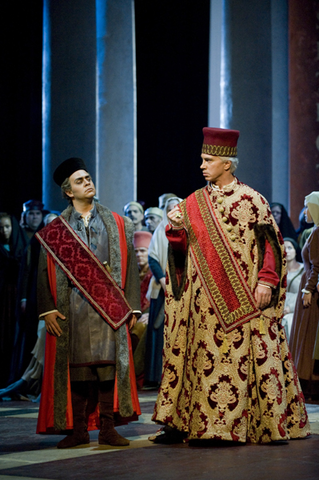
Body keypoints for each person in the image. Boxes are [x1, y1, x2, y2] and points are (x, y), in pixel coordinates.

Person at [150, 127, 309, 444]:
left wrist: (267, 280)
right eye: (202, 159)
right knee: (203, 363)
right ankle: (199, 425)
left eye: (208, 160)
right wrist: (175, 230)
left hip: (246, 300)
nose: (202, 165)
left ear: (226, 163)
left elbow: (271, 247)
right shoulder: (192, 203)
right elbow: (179, 255)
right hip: (201, 308)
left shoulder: (253, 201)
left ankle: (247, 426)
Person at [35, 157, 141, 448]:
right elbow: (43, 272)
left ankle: (108, 429)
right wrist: (48, 309)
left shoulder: (118, 223)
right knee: (79, 369)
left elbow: (131, 267)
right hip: (74, 308)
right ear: (68, 191)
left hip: (110, 308)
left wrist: (132, 306)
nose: (88, 182)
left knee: (108, 368)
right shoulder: (57, 230)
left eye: (88, 178)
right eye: (80, 180)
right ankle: (78, 430)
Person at [143, 196, 182, 390]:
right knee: (159, 331)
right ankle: (157, 376)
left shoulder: (188, 229)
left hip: (184, 287)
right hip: (163, 287)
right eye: (171, 208)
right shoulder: (161, 230)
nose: (174, 211)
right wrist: (163, 280)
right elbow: (152, 258)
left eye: (178, 208)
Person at [289, 192, 319, 400]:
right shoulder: (313, 231)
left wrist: (308, 289)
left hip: (310, 291)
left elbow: (317, 265)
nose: (305, 212)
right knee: (304, 332)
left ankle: (310, 384)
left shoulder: (318, 233)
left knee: (308, 335)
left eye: (308, 207)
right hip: (306, 286)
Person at [0, 213, 28, 388]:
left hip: (16, 298)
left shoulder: (21, 245)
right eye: (1, 227)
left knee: (15, 336)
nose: (4, 231)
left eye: (7, 226)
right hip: (2, 297)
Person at [281, 238, 304, 342]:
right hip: (282, 307)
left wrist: (292, 308)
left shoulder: (303, 270)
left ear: (295, 250)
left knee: (289, 321)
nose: (287, 251)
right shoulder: (278, 272)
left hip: (299, 307)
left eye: (290, 247)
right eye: (284, 248)